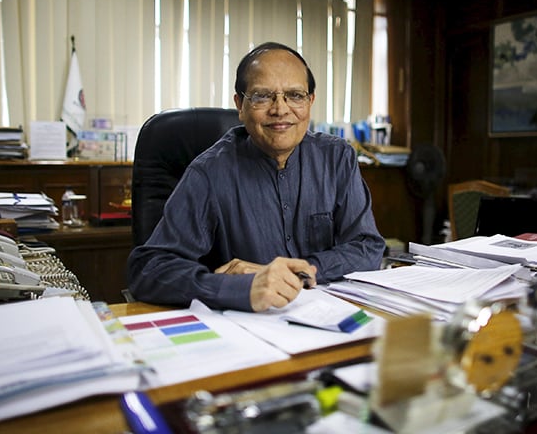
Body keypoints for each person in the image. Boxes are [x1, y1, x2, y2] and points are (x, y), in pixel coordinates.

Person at [127, 42, 385, 312]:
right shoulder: (209, 172)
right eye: (263, 96)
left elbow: (368, 247)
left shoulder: (336, 158)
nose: (280, 109)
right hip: (246, 328)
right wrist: (237, 288)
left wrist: (299, 272)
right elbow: (148, 269)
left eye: (295, 95)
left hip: (325, 319)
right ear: (240, 105)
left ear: (310, 101)